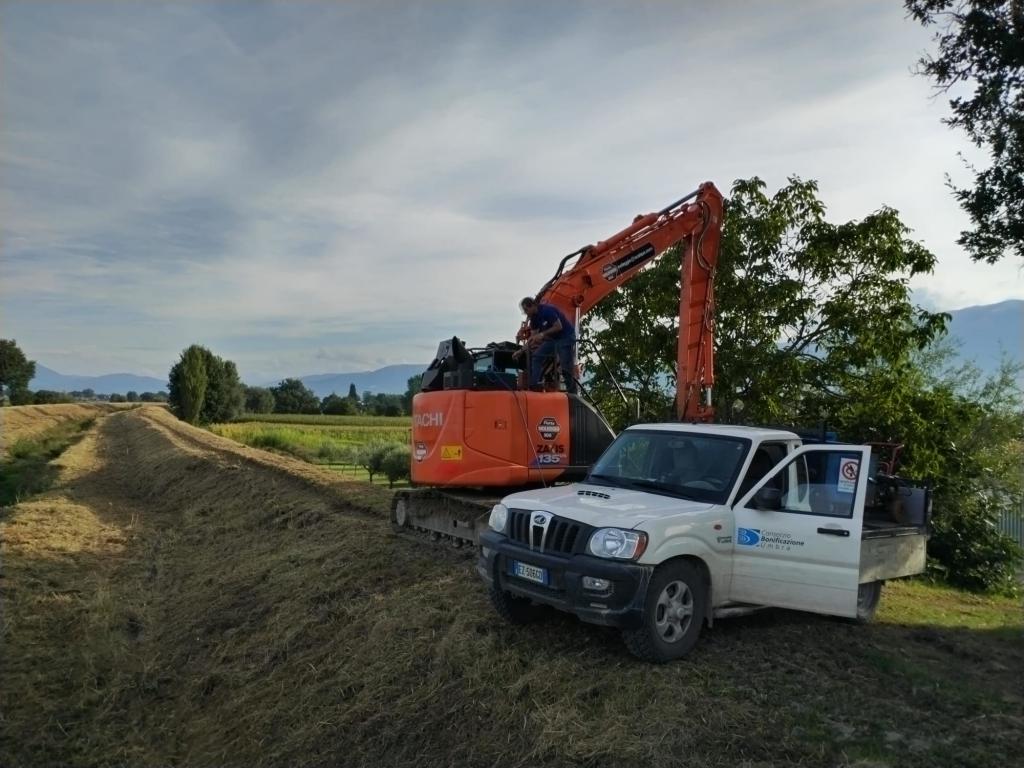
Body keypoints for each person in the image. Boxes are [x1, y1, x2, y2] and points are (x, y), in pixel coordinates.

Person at [518, 296, 577, 394]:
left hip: (566, 336)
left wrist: (542, 334)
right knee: (537, 356)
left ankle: (572, 393)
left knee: (565, 366)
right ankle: (534, 385)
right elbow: (532, 339)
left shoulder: (547, 311)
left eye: (526, 310)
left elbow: (559, 326)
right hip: (553, 339)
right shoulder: (534, 319)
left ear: (532, 306)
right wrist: (521, 351)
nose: (526, 313)